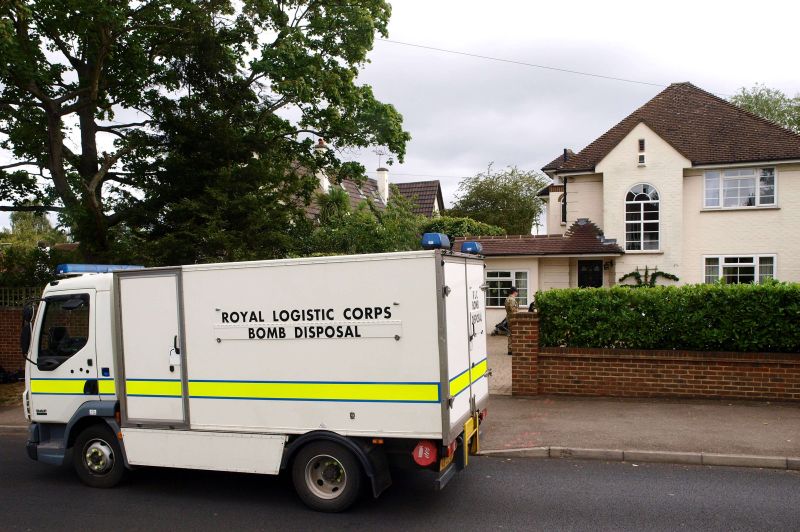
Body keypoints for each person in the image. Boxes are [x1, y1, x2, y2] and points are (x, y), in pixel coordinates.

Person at [504, 287, 519, 355]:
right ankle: (512, 349)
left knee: (510, 333)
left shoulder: (507, 298)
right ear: (514, 292)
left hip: (509, 317)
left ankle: (510, 349)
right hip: (513, 318)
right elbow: (513, 310)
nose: (517, 293)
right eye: (517, 292)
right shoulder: (512, 299)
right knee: (513, 334)